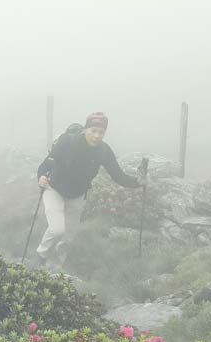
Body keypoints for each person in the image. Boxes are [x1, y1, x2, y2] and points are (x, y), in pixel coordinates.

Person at [35, 112, 145, 267]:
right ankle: (42, 255)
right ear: (85, 129)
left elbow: (118, 176)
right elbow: (46, 164)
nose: (96, 136)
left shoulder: (104, 151)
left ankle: (60, 265)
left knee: (69, 236)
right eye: (93, 131)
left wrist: (139, 182)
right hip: (54, 189)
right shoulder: (67, 142)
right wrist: (41, 177)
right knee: (57, 229)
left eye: (101, 132)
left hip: (78, 195)